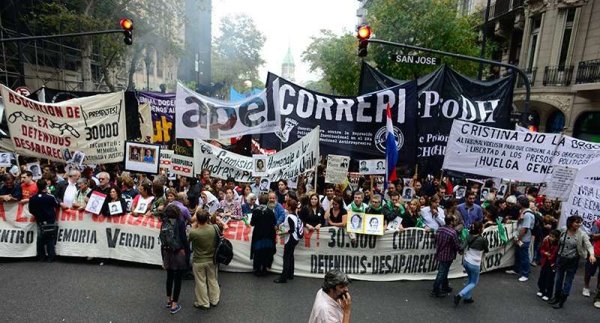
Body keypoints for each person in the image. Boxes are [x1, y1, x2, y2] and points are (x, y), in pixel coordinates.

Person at [550, 215, 596, 309]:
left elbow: (589, 245)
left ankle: (562, 300)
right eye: (577, 222)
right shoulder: (564, 229)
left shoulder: (582, 234)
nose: (579, 224)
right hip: (561, 258)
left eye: (580, 222)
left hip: (573, 260)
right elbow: (556, 236)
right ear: (571, 222)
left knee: (568, 281)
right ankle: (556, 297)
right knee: (558, 279)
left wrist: (591, 254)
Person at [188, 209, 220, 310]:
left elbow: (187, 240)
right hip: (212, 259)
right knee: (213, 279)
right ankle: (214, 299)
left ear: (197, 219)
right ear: (207, 218)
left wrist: (193, 226)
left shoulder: (194, 232)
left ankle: (203, 302)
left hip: (199, 260)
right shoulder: (214, 228)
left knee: (200, 282)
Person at [161, 204, 187, 314]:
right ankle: (175, 304)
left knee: (169, 276)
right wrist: (186, 251)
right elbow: (183, 238)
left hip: (167, 251)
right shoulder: (180, 222)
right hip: (178, 251)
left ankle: (168, 300)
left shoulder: (164, 222)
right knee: (178, 279)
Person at [454, 221, 488, 306]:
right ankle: (460, 295)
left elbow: (461, 247)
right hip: (475, 264)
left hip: (466, 261)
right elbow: (486, 250)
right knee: (473, 282)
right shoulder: (483, 240)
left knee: (470, 279)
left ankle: (468, 298)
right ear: (480, 229)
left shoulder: (468, 236)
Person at [506, 195, 535, 282]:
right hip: (521, 238)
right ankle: (516, 269)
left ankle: (525, 274)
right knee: (518, 254)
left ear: (521, 204)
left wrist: (519, 238)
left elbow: (524, 228)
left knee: (524, 256)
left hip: (524, 239)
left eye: (518, 202)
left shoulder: (527, 215)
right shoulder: (523, 212)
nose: (516, 203)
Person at [29, 179, 59, 262]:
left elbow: (31, 210)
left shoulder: (33, 198)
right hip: (50, 220)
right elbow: (56, 205)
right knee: (50, 238)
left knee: (40, 238)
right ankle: (50, 257)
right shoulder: (50, 197)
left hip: (39, 220)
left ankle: (41, 257)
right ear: (46, 186)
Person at [431, 215, 461, 298]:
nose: (456, 222)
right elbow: (456, 245)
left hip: (440, 253)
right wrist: (461, 250)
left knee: (444, 271)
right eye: (454, 220)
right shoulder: (452, 232)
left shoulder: (439, 229)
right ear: (451, 222)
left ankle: (444, 286)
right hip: (448, 255)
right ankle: (435, 290)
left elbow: (436, 240)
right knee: (442, 272)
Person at [250, 194, 277, 276]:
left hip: (258, 234)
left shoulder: (256, 210)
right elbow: (274, 222)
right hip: (268, 234)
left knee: (258, 252)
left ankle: (257, 269)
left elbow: (252, 223)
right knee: (266, 251)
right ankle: (264, 268)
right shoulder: (270, 211)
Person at [274, 199, 300, 284]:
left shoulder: (289, 217)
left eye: (286, 204)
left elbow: (291, 230)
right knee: (290, 256)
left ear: (289, 207)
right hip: (294, 238)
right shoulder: (294, 215)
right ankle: (290, 274)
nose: (284, 205)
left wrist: (281, 232)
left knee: (286, 258)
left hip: (291, 239)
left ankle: (283, 278)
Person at [537, 229, 560, 301]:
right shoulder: (546, 241)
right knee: (542, 276)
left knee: (550, 279)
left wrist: (550, 256)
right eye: (550, 236)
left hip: (552, 263)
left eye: (553, 237)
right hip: (545, 261)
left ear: (556, 238)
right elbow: (541, 249)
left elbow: (556, 255)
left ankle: (548, 294)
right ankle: (541, 290)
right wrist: (545, 253)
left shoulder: (558, 245)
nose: (550, 238)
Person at [583, 218, 600, 301]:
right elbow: (593, 236)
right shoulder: (597, 223)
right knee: (589, 270)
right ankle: (586, 287)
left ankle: (598, 289)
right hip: (595, 252)